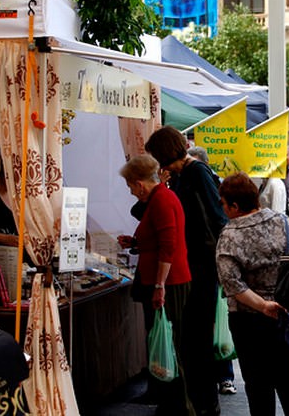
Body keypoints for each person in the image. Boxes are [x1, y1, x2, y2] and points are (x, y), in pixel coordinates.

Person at [145, 126, 228, 416]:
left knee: (198, 339)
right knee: (192, 339)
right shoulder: (183, 175)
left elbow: (216, 220)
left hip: (201, 267)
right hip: (194, 266)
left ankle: (206, 403)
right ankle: (198, 401)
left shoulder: (197, 173)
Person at [215, 173, 289, 415]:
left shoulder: (230, 235)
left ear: (235, 206)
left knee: (258, 382)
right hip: (285, 311)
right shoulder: (283, 221)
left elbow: (232, 283)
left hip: (248, 317)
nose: (223, 209)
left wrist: (261, 305)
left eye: (223, 203)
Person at [118, 154, 194, 416]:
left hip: (168, 283)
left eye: (130, 186)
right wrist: (136, 243)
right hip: (164, 280)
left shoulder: (161, 199)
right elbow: (160, 240)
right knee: (165, 340)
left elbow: (168, 246)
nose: (131, 192)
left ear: (139, 183)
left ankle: (180, 406)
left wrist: (160, 286)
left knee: (169, 342)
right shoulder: (160, 198)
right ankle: (170, 402)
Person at [186, 146, 237, 396]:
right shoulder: (200, 183)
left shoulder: (206, 181)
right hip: (208, 265)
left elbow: (218, 222)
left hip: (211, 266)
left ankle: (225, 376)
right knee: (215, 322)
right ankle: (223, 377)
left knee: (218, 322)